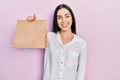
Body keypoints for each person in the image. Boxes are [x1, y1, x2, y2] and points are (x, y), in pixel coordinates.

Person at [27, 4, 87, 80]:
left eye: (67, 16)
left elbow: (80, 73)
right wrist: (30, 24)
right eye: (59, 17)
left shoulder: (81, 44)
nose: (63, 20)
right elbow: (28, 46)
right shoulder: (49, 37)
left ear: (72, 18)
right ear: (56, 21)